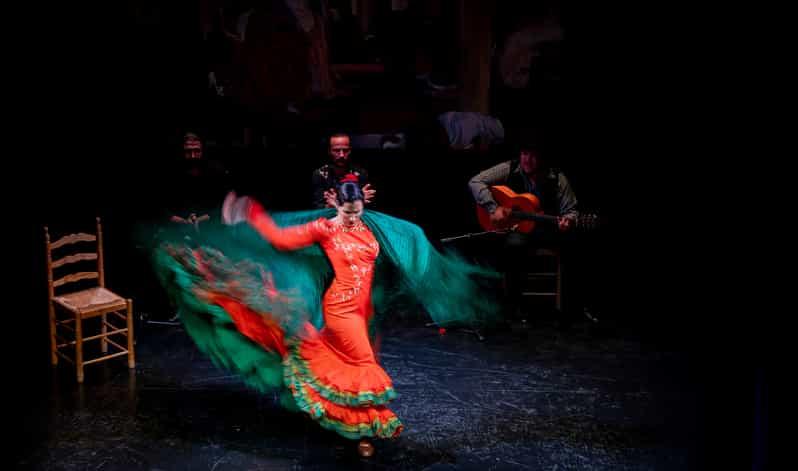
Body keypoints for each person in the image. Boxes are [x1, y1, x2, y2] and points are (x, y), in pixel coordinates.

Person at [147, 179, 499, 457]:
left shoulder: (365, 229)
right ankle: (363, 433)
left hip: (362, 311)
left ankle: (341, 421)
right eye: (345, 211)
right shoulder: (325, 228)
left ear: (362, 206)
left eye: (356, 210)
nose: (350, 217)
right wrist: (252, 215)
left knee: (346, 367)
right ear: (335, 205)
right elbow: (282, 239)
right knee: (362, 367)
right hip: (341, 309)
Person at [468, 137, 579, 325]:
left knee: (572, 244)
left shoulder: (557, 177)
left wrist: (568, 221)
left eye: (533, 155)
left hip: (545, 229)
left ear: (542, 158)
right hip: (518, 229)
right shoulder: (510, 168)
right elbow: (475, 182)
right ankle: (513, 305)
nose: (527, 160)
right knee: (513, 245)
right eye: (524, 154)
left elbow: (571, 211)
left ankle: (567, 308)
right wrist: (493, 208)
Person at [312, 134, 375, 208]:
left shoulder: (360, 174)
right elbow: (317, 206)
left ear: (350, 151)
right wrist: (330, 205)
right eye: (336, 150)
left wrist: (337, 204)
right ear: (329, 151)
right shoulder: (320, 175)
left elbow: (367, 206)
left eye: (345, 150)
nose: (341, 155)